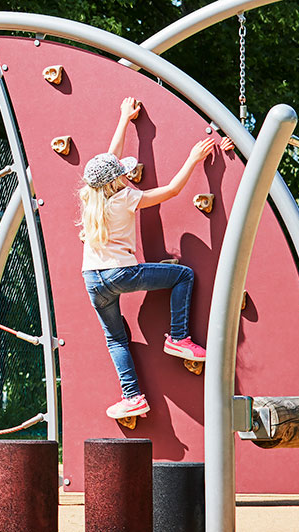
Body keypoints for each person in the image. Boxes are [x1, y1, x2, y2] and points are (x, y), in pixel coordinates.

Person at [78, 97, 231, 420]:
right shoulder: (126, 198)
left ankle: (132, 396)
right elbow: (173, 190)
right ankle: (178, 337)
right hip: (121, 273)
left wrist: (124, 118)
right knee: (183, 275)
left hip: (93, 279)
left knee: (116, 339)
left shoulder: (90, 196)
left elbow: (111, 156)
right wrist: (193, 159)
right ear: (116, 180)